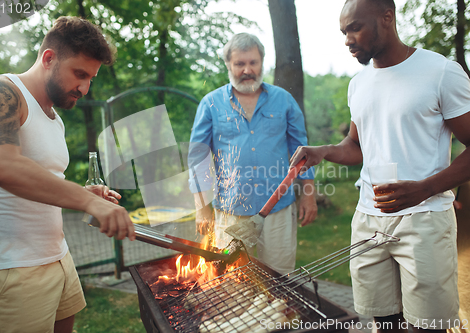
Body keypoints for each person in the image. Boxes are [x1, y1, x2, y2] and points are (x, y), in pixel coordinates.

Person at [289, 0, 470, 331]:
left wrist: (425, 188)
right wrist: (324, 150)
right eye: (344, 32)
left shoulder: (441, 71)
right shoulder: (359, 84)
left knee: (428, 325)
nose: (347, 39)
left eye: (355, 27)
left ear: (387, 17)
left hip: (425, 218)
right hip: (368, 219)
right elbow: (357, 146)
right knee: (383, 320)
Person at [0, 16, 136, 333]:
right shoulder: (0, 92)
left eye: (91, 79)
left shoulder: (53, 118)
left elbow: (44, 182)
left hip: (57, 256)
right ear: (49, 58)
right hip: (13, 267)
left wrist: (86, 196)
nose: (85, 88)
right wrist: (91, 205)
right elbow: (0, 166)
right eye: (80, 74)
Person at [188, 33, 317, 275]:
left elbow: (302, 151)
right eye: (239, 64)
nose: (247, 70)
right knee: (228, 280)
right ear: (228, 65)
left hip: (278, 207)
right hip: (229, 210)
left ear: (262, 62)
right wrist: (201, 207)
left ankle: (278, 314)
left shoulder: (284, 100)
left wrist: (308, 194)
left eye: (253, 63)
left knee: (280, 278)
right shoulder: (210, 103)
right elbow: (198, 158)